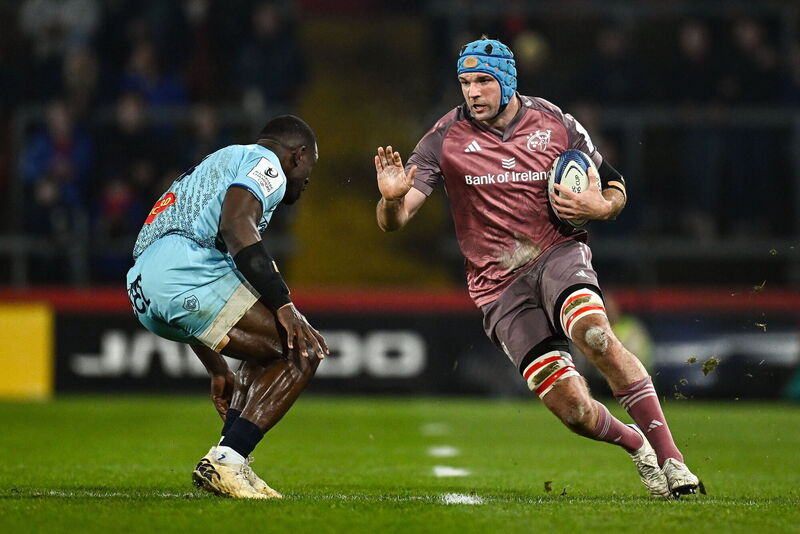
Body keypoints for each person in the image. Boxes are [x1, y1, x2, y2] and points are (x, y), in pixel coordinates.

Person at [374, 37, 699, 499]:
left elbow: (614, 184)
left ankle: (673, 461)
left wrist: (601, 207)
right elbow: (396, 219)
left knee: (595, 335)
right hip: (497, 287)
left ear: (507, 80)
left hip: (556, 254)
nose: (472, 92)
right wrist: (390, 201)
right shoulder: (443, 138)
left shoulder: (555, 122)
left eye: (483, 81)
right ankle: (636, 443)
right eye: (465, 82)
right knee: (574, 412)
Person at [126, 115, 328, 499]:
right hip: (184, 269)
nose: (307, 179)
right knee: (301, 350)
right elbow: (236, 225)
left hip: (144, 285)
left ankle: (227, 457)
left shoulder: (224, 159)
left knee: (265, 350)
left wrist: (217, 368)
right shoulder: (267, 165)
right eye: (310, 167)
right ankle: (228, 459)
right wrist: (285, 304)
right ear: (298, 155)